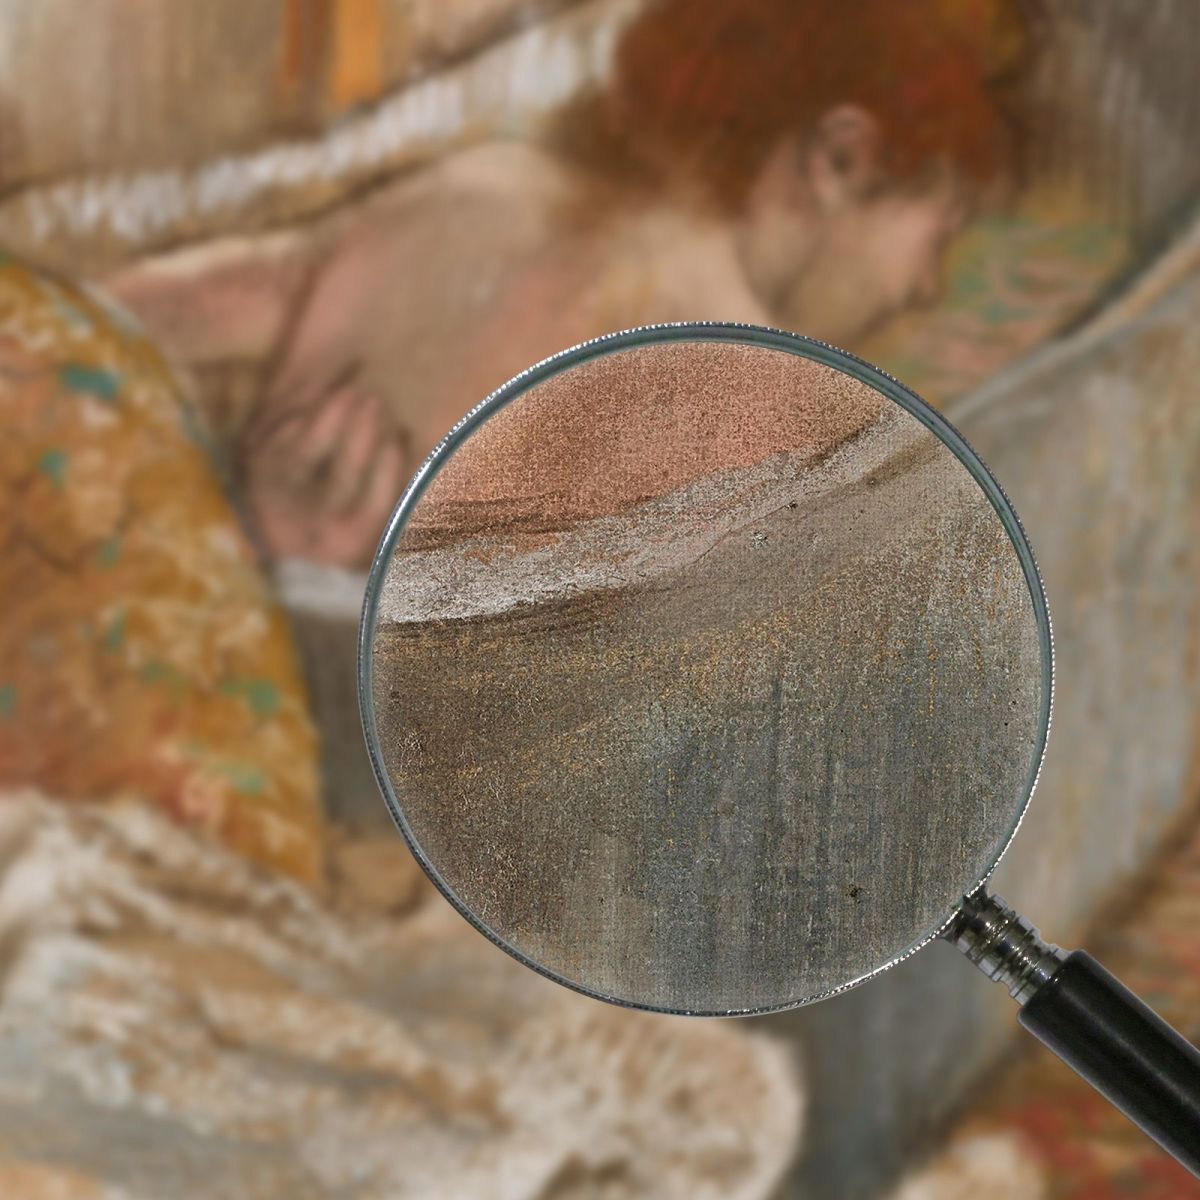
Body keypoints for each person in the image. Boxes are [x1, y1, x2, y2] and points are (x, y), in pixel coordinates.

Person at [106, 0, 1030, 569]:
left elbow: (91, 325)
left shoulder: (468, 194)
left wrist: (261, 539)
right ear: (841, 159)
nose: (922, 288)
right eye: (939, 230)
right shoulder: (770, 405)